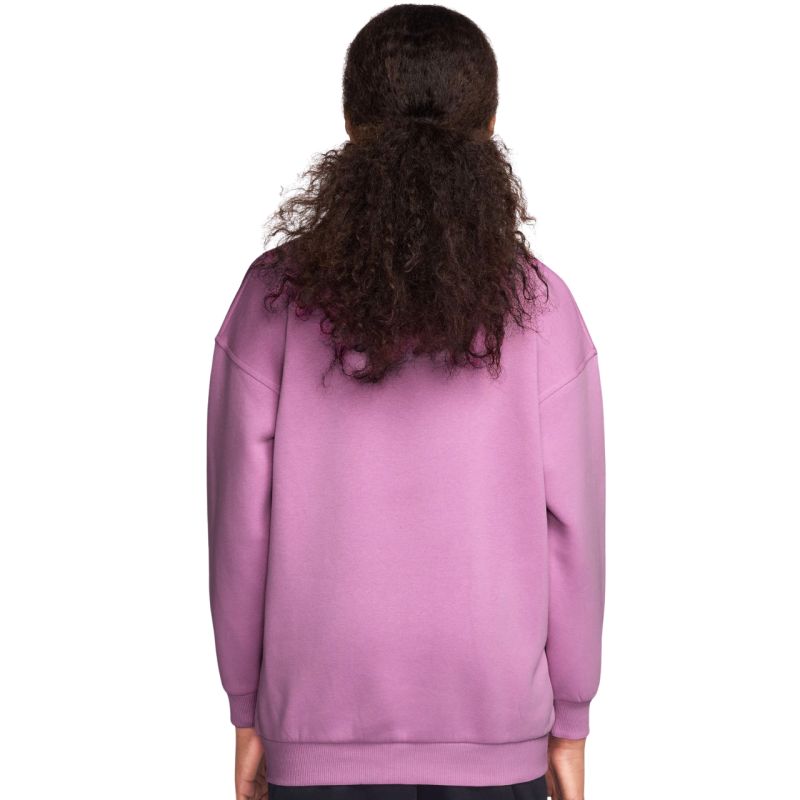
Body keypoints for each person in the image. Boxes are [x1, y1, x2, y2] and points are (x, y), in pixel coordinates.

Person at [206, 5, 606, 800]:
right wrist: (570, 720)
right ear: (489, 127)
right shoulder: (542, 306)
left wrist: (247, 712)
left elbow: (238, 525)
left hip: (317, 721)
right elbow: (576, 535)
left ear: (351, 126)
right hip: (499, 725)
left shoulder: (272, 299)